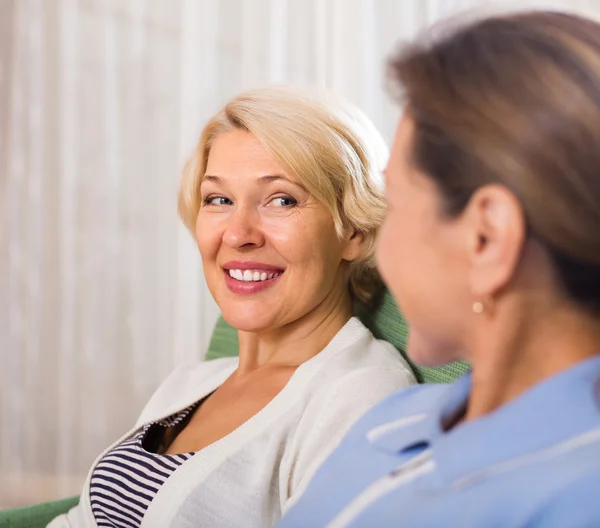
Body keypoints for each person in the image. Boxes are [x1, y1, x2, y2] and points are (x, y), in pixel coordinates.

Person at [279, 10, 600, 528]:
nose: (378, 243)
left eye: (396, 203)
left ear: (486, 239)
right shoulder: (394, 420)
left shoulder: (577, 498)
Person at [49, 85, 415, 528]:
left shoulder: (361, 396)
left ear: (354, 231)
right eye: (218, 199)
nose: (239, 233)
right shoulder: (190, 383)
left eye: (282, 199)